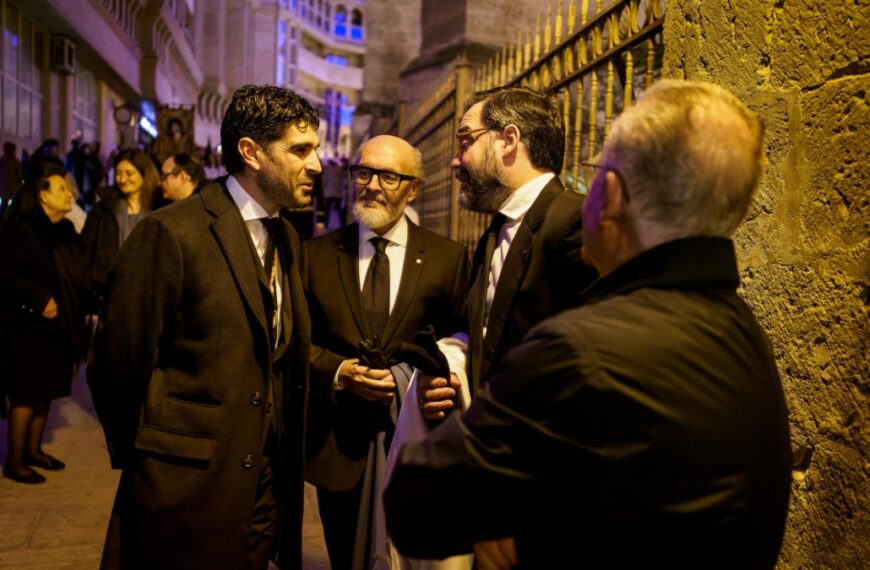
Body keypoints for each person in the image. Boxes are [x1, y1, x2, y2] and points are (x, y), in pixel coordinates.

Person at [384, 80, 793, 569]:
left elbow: (417, 506)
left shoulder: (581, 348)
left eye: (595, 172)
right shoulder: (746, 332)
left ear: (613, 194)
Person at [87, 85, 320, 569]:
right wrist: (156, 458)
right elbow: (118, 362)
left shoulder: (289, 238)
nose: (316, 165)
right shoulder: (172, 232)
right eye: (300, 150)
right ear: (251, 152)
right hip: (183, 487)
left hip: (263, 488)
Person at [303, 135, 469, 570]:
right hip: (340, 451)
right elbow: (293, 344)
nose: (372, 185)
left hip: (415, 444)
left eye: (389, 176)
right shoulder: (315, 256)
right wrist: (339, 371)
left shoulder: (447, 259)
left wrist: (442, 380)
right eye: (364, 172)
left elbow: (461, 340)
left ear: (413, 189)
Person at [415, 86, 597, 422]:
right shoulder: (496, 231)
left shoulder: (575, 221)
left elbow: (597, 359)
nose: (456, 160)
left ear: (509, 140)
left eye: (466, 140)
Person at [0, 163, 93, 484]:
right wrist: (40, 299)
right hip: (26, 326)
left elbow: (79, 270)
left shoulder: (63, 229)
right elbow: (7, 275)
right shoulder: (23, 230)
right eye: (61, 189)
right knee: (26, 393)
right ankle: (15, 460)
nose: (70, 194)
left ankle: (34, 451)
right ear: (41, 195)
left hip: (58, 325)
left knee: (46, 391)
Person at [80, 149, 159, 298]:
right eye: (118, 173)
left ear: (145, 174)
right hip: (108, 293)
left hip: (146, 293)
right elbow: (85, 252)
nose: (122, 179)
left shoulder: (158, 209)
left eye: (129, 173)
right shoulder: (103, 210)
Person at [0, 142, 23, 211]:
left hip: (3, 187)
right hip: (13, 188)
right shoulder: (16, 162)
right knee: (11, 206)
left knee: (4, 205)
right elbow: (19, 175)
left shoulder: (2, 160)